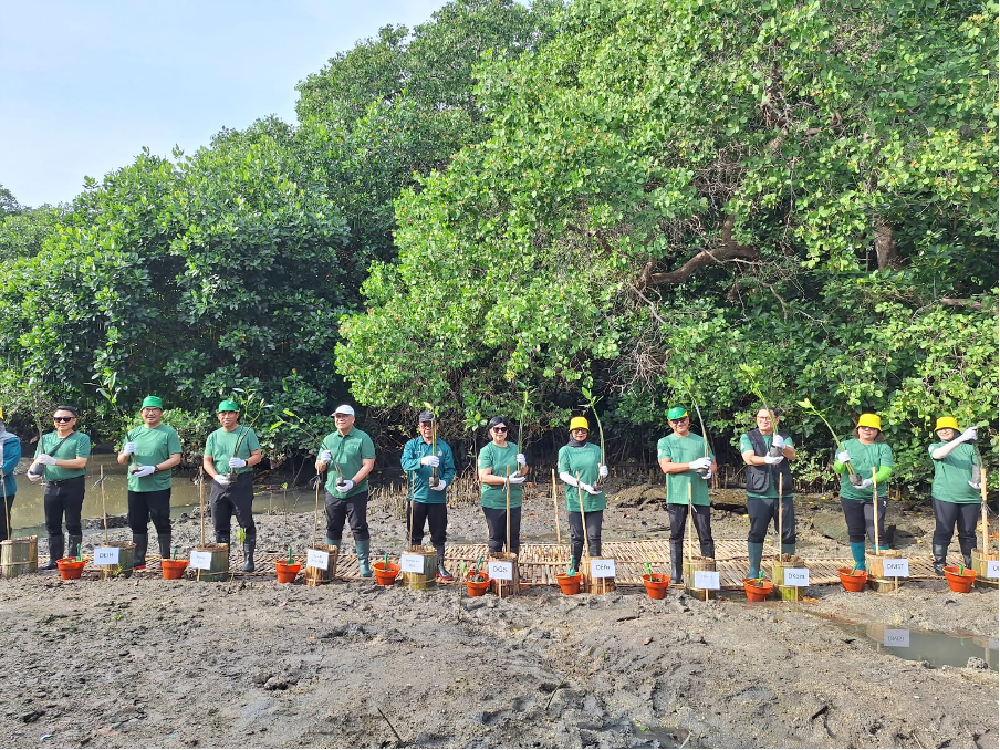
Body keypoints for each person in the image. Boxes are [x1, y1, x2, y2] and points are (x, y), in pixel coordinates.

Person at [116, 396, 182, 571]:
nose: (150, 413)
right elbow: (121, 460)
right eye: (147, 409)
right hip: (135, 486)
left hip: (158, 485)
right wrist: (125, 453)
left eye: (154, 409)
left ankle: (164, 558)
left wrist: (154, 468)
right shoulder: (133, 433)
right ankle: (139, 560)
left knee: (161, 521)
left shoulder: (168, 433)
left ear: (161, 413)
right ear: (141, 413)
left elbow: (175, 458)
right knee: (137, 523)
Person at [657, 406, 717, 583]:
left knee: (705, 534)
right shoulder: (665, 442)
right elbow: (666, 467)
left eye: (682, 419)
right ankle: (676, 574)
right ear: (670, 424)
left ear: (688, 420)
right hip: (677, 495)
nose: (679, 423)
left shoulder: (701, 441)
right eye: (675, 421)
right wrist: (692, 464)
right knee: (676, 535)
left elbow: (713, 464)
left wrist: (708, 472)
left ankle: (708, 572)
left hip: (699, 495)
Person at [316, 405, 376, 577]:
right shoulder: (328, 440)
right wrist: (322, 462)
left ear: (353, 419)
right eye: (337, 416)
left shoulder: (363, 439)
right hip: (332, 491)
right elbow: (318, 466)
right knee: (333, 526)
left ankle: (363, 564)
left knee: (358, 527)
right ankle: (330, 563)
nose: (339, 419)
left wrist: (353, 482)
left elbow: (368, 465)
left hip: (356, 491)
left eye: (344, 416)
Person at [203, 399, 263, 572]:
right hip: (219, 483)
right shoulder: (213, 436)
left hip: (241, 482)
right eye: (223, 413)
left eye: (230, 412)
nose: (226, 416)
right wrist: (215, 476)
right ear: (218, 416)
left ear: (237, 414)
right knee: (219, 523)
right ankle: (223, 560)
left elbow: (257, 455)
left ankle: (248, 559)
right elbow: (207, 461)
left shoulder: (246, 433)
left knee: (245, 521)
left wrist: (244, 462)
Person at [28, 405, 91, 569]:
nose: (62, 421)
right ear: (54, 421)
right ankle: (54, 561)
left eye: (66, 418)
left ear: (74, 420)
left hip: (73, 485)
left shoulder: (81, 439)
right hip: (51, 485)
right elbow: (37, 459)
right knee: (52, 524)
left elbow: (81, 462)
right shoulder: (46, 438)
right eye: (58, 419)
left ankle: (72, 559)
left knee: (73, 523)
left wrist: (54, 461)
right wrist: (31, 472)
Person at [740, 406, 796, 580]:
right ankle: (754, 570)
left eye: (768, 418)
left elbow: (792, 454)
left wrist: (782, 447)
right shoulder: (748, 436)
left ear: (776, 421)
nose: (764, 421)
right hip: (758, 494)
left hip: (782, 493)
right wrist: (766, 459)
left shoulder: (784, 436)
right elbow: (748, 458)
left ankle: (787, 567)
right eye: (761, 417)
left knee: (787, 532)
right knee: (757, 531)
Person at [833, 413, 894, 572]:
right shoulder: (845, 445)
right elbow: (838, 469)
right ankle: (860, 564)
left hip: (874, 495)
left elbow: (886, 471)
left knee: (876, 531)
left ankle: (883, 566)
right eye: (864, 427)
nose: (868, 430)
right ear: (858, 429)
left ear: (877, 431)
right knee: (855, 530)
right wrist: (841, 460)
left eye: (872, 428)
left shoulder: (883, 448)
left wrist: (870, 481)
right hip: (851, 495)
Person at [400, 410, 457, 581]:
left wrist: (444, 483)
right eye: (424, 425)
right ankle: (415, 564)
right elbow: (405, 464)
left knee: (439, 534)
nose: (427, 428)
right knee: (414, 532)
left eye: (430, 424)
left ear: (436, 427)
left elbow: (450, 469)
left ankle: (440, 566)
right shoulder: (412, 445)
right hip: (416, 496)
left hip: (437, 498)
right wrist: (421, 461)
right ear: (419, 427)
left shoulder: (443, 447)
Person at [928, 417, 981, 575]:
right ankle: (940, 563)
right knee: (944, 530)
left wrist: (978, 481)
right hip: (945, 496)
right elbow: (940, 454)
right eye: (940, 429)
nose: (943, 431)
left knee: (968, 533)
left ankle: (971, 564)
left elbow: (977, 466)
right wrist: (962, 439)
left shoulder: (970, 448)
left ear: (955, 430)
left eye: (947, 428)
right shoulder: (935, 446)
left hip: (970, 498)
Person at [558, 416, 609, 573]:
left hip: (595, 498)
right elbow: (564, 475)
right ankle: (575, 568)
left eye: (583, 430)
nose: (580, 432)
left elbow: (600, 468)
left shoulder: (596, 449)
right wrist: (583, 486)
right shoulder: (565, 451)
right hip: (576, 498)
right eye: (577, 430)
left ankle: (595, 570)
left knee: (594, 536)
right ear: (572, 431)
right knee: (577, 537)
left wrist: (603, 474)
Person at [478, 415, 528, 557]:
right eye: (496, 429)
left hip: (513, 500)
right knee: (496, 538)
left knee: (513, 538)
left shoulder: (514, 448)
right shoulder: (487, 451)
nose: (500, 432)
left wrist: (524, 465)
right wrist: (506, 480)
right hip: (494, 501)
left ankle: (513, 572)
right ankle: (497, 572)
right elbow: (484, 476)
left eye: (503, 429)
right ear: (490, 431)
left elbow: (523, 472)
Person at [0, 411, 22, 543]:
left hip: (3, 491)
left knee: (2, 526)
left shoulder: (11, 440)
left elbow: (10, 462)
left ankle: (3, 558)